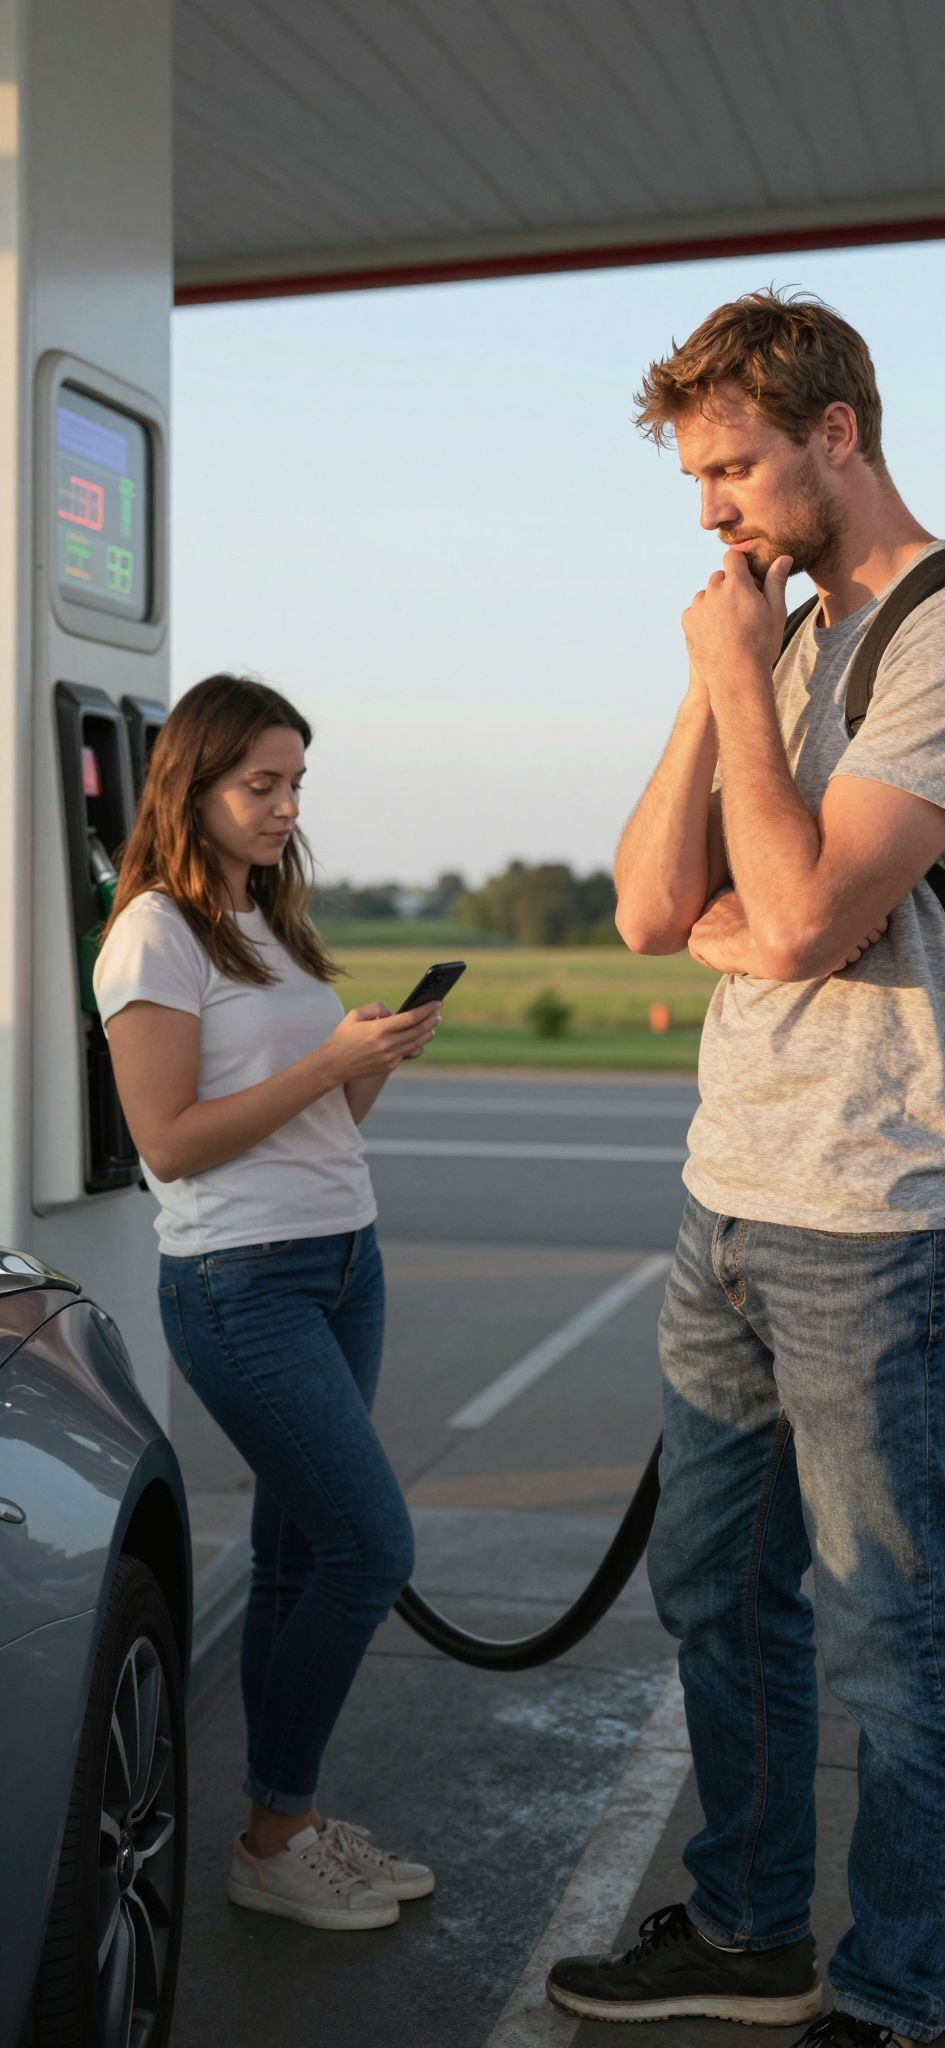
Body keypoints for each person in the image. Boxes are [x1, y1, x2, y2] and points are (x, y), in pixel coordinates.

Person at [545, 291, 945, 2044]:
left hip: (889, 1220)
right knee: (715, 1588)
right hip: (734, 1200)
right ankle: (757, 1924)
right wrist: (721, 687)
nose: (711, 510)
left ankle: (890, 1992)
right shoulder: (765, 642)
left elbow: (793, 910)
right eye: (695, 475)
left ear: (834, 430)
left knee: (892, 1638)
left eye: (733, 467)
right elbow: (644, 907)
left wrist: (750, 816)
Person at [95, 674, 441, 1932]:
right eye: (262, 784)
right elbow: (170, 1141)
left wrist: (371, 1064)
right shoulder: (154, 932)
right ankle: (272, 1832)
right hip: (244, 1284)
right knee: (370, 1546)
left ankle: (284, 1823)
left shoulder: (267, 919)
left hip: (344, 1262)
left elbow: (321, 1114)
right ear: (192, 785)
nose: (287, 806)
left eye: (297, 782)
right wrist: (327, 1059)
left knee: (301, 1552)